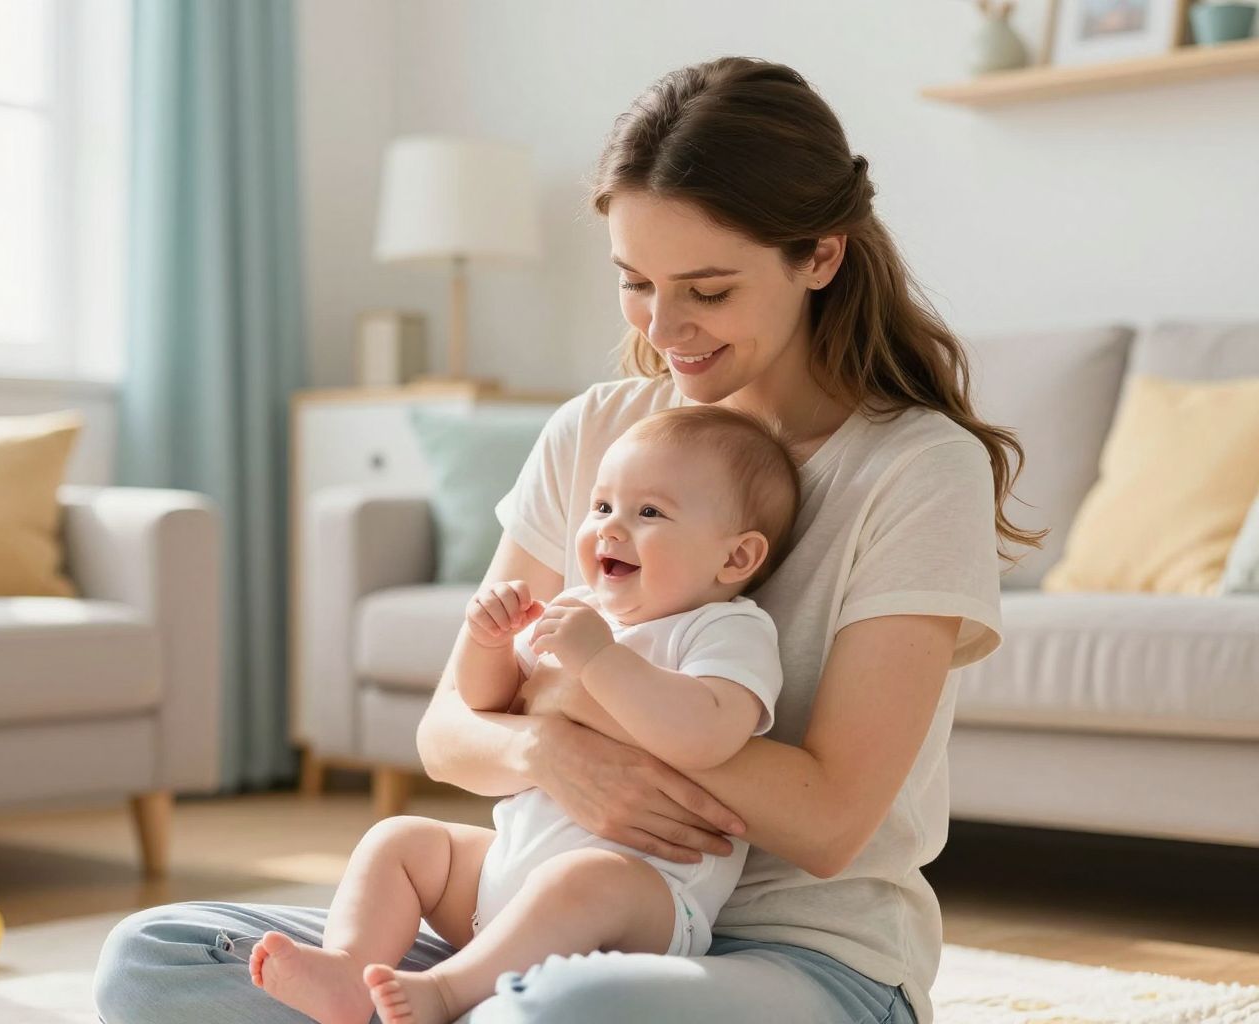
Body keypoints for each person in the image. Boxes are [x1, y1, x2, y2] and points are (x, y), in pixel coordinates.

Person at [94, 55, 1037, 1024]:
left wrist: (580, 696)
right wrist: (551, 749)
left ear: (821, 257)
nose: (665, 327)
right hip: (529, 922)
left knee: (564, 1007)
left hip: (801, 956)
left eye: (708, 290)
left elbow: (829, 822)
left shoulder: (918, 468)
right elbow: (450, 734)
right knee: (154, 958)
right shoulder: (600, 430)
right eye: (637, 283)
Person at [247, 406, 799, 1024]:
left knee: (586, 877)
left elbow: (707, 735)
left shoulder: (726, 629)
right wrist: (488, 643)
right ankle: (350, 972)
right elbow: (489, 704)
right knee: (399, 840)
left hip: (643, 900)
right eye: (602, 506)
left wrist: (599, 661)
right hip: (502, 881)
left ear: (736, 558)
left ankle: (446, 992)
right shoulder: (578, 608)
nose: (611, 529)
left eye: (649, 513)